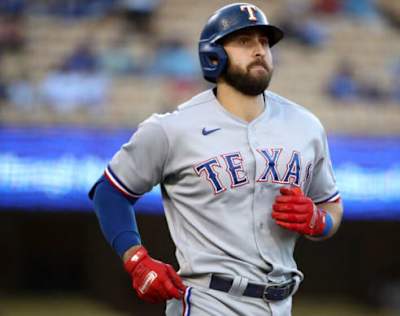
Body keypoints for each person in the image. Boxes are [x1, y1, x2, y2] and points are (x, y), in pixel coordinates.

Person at [89, 3, 343, 315]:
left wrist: (320, 221)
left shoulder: (306, 126)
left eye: (264, 42)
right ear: (213, 55)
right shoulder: (172, 128)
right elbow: (109, 192)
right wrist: (136, 259)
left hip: (282, 303)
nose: (259, 50)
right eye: (244, 41)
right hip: (208, 300)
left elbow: (331, 203)